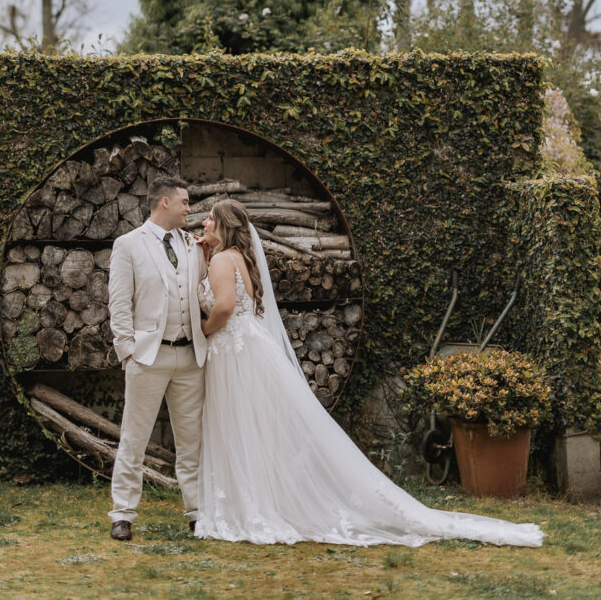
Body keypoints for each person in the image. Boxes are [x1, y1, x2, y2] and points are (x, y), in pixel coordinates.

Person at [195, 198, 544, 549]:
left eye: (210, 219)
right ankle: (256, 502)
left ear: (225, 225)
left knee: (238, 426)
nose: (204, 224)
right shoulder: (237, 258)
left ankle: (247, 506)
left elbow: (224, 307)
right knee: (251, 429)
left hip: (233, 352)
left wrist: (205, 329)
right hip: (247, 349)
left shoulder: (224, 260)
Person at [106, 175, 206, 541]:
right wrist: (127, 352)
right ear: (164, 202)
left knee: (191, 440)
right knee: (134, 439)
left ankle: (197, 513)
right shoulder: (128, 245)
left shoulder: (193, 245)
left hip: (190, 357)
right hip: (148, 356)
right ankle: (122, 514)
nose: (189, 208)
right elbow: (119, 302)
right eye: (184, 202)